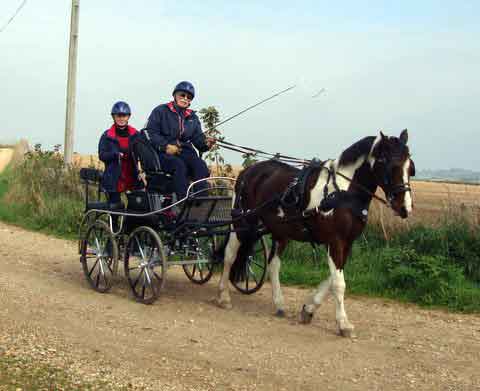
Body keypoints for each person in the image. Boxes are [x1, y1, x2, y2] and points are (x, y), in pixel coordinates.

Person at [144, 81, 215, 200]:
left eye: (189, 97)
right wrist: (165, 146)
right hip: (162, 153)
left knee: (201, 166)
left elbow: (198, 141)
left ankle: (201, 201)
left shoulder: (192, 117)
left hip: (184, 152)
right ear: (175, 95)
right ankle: (184, 200)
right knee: (179, 165)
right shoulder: (161, 111)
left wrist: (206, 144)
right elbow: (150, 133)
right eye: (182, 95)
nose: (185, 98)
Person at [98, 101, 139, 205]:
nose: (121, 119)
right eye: (118, 116)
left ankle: (127, 222)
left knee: (135, 206)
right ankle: (114, 222)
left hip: (132, 175)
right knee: (116, 207)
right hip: (114, 177)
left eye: (124, 115)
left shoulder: (136, 135)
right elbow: (102, 155)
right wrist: (115, 155)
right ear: (114, 117)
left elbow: (143, 152)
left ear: (128, 117)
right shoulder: (106, 136)